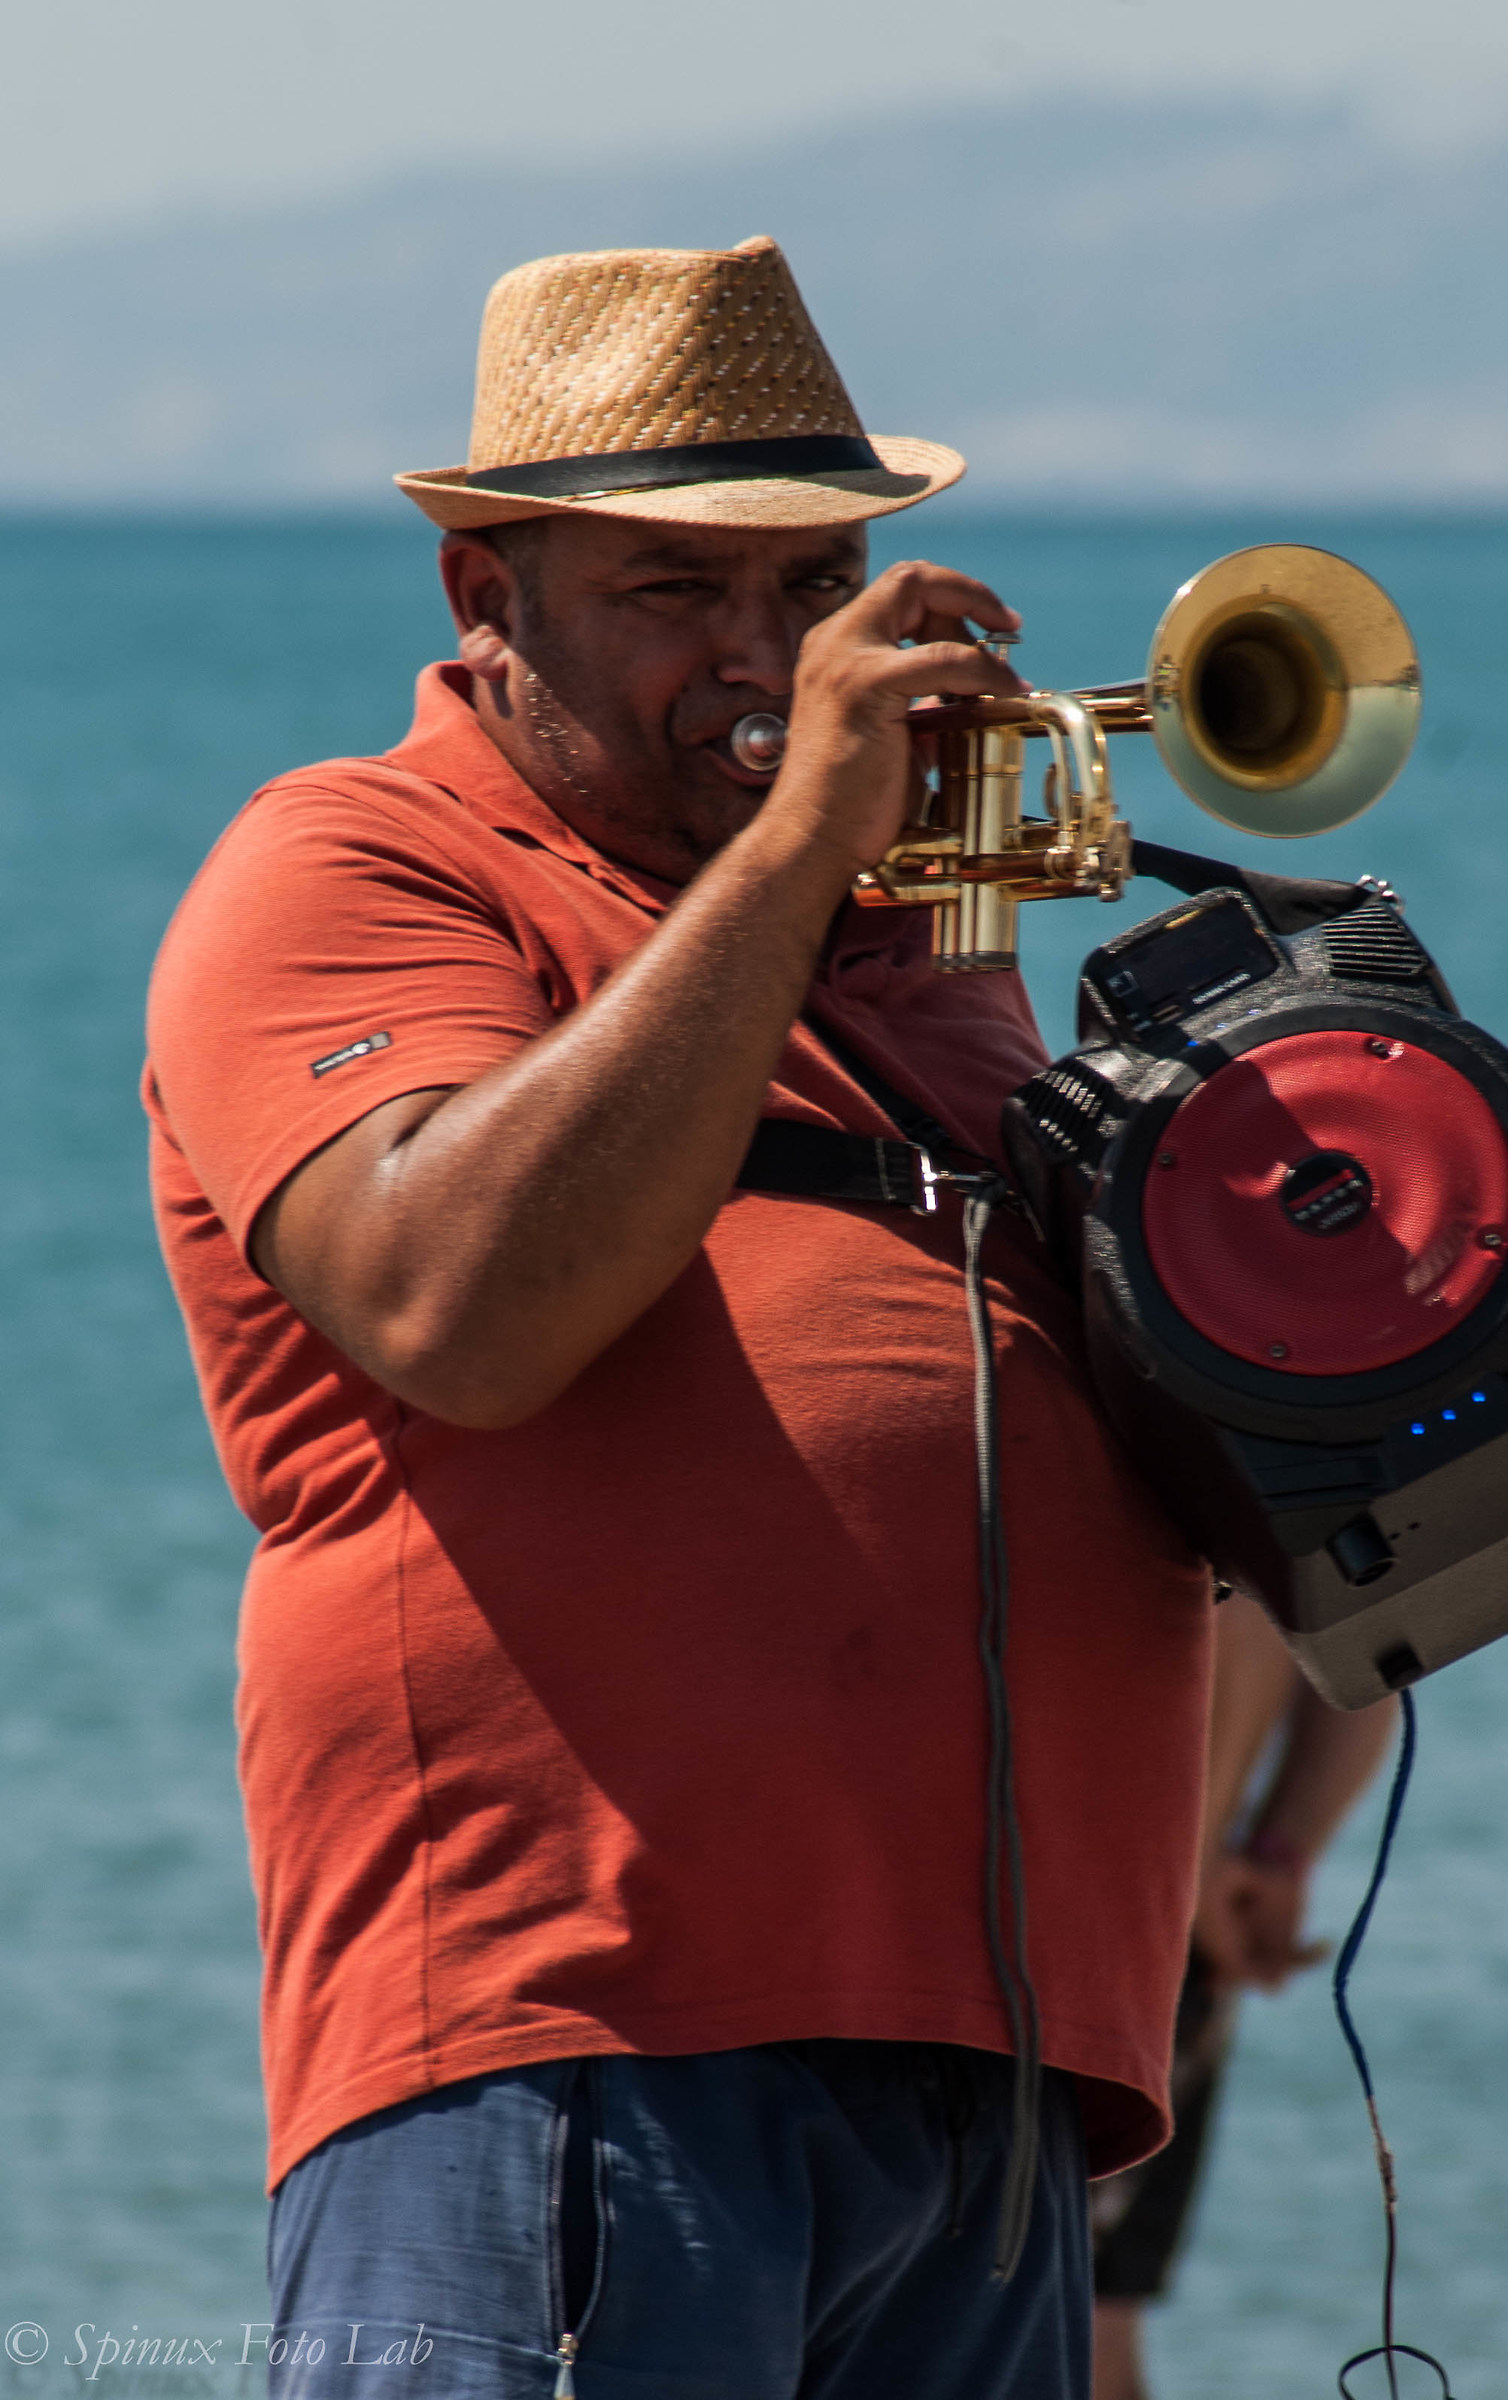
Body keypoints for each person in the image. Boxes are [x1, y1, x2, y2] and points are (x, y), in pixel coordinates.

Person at [143, 237, 1214, 2398]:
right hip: (577, 2037)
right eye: (673, 595)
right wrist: (806, 841)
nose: (766, 656)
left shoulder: (931, 944)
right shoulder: (353, 865)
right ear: (485, 595)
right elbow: (458, 1302)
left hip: (990, 2068)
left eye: (813, 586)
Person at [1090, 1600, 1396, 2400]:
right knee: (1101, 2323)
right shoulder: (1321, 1465)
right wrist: (1280, 1852)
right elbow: (1379, 1641)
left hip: (1095, 1933)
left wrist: (1190, 1867)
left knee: (1037, 2324)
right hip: (1182, 1946)